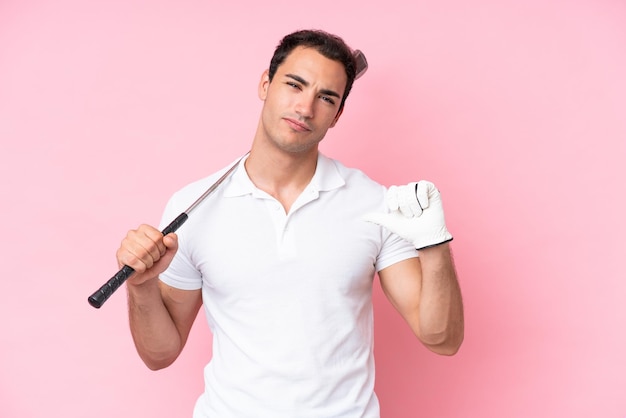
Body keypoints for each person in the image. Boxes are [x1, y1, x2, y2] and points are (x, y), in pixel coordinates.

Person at [117, 29, 464, 418]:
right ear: (265, 83)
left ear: (338, 114)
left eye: (326, 97)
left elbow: (442, 339)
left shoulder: (372, 202)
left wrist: (434, 244)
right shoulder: (193, 207)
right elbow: (159, 354)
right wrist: (142, 288)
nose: (305, 108)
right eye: (294, 85)